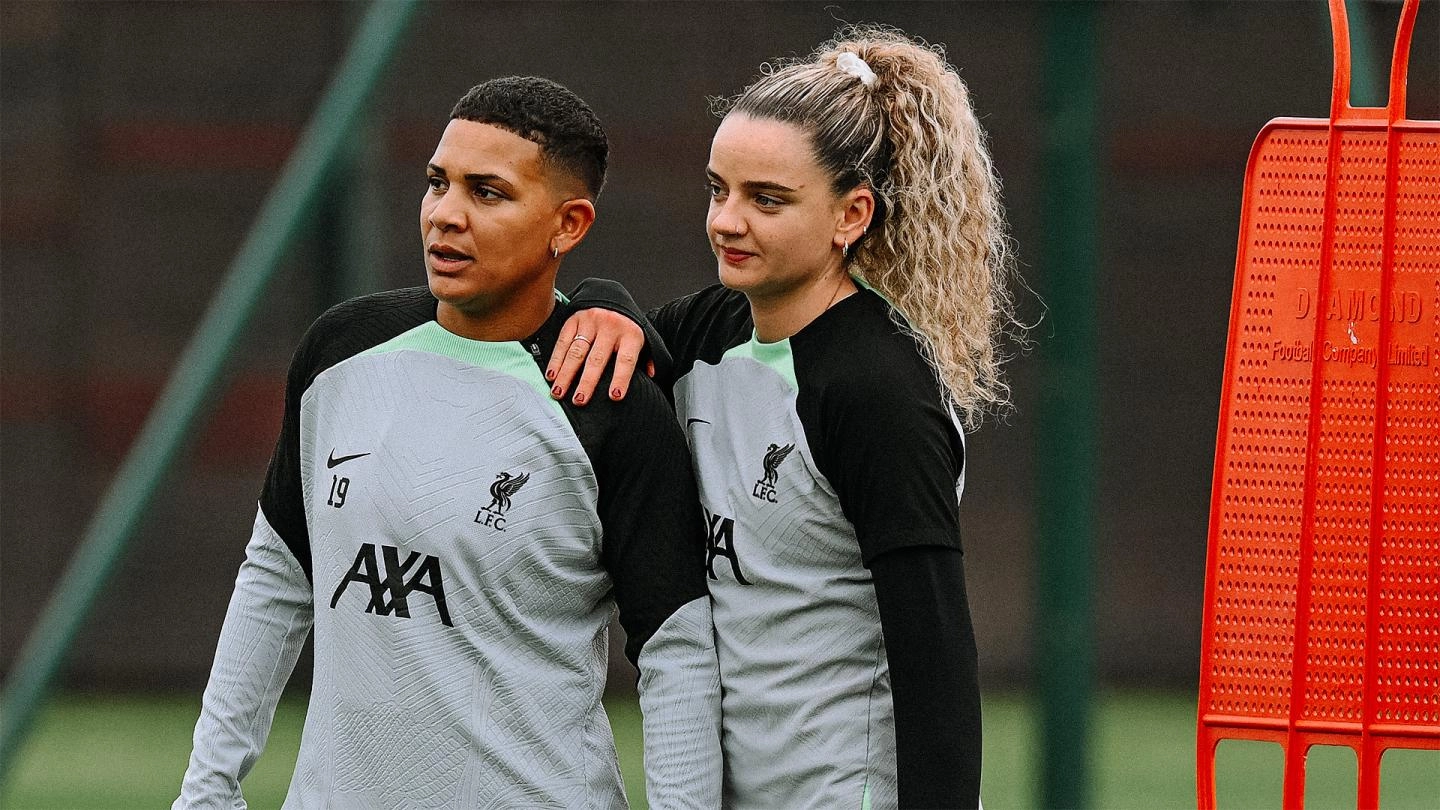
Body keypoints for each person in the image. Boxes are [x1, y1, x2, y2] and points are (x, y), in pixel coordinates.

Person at [174, 76, 721, 809]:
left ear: (569, 224)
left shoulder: (609, 403)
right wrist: (206, 791)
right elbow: (275, 576)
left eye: (487, 193)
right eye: (438, 183)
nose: (446, 216)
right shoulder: (341, 351)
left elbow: (678, 652)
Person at [549, 26, 1023, 810]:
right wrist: (601, 302)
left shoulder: (878, 391)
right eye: (718, 189)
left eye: (767, 200)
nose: (727, 221)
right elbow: (622, 336)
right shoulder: (712, 331)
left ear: (851, 215)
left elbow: (934, 655)